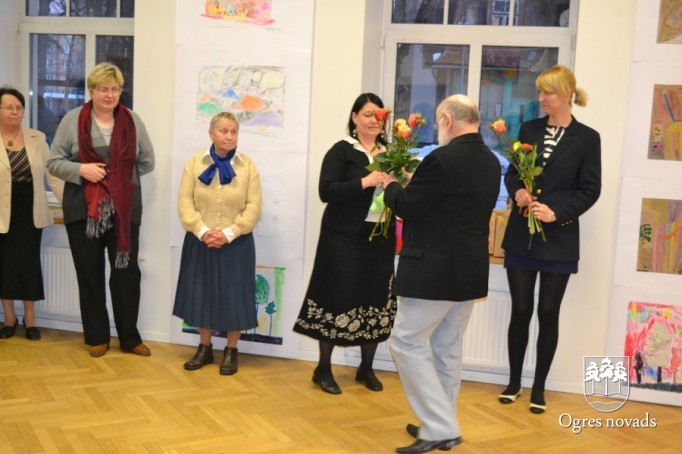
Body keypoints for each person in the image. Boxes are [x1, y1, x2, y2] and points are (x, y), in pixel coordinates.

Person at [383, 94, 500, 453]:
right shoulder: (491, 161)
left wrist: (392, 185)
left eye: (438, 122)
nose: (437, 128)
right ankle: (442, 422)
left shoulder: (441, 159)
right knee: (447, 350)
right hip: (468, 271)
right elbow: (449, 203)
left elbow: (408, 207)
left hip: (433, 271)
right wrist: (416, 181)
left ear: (447, 120)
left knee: (405, 342)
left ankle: (439, 426)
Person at [498, 65, 601, 414]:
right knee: (520, 310)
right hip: (522, 237)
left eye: (549, 92)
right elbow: (513, 172)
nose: (541, 98)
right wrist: (518, 191)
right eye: (540, 92)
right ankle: (514, 383)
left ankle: (539, 388)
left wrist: (557, 213)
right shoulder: (529, 129)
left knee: (547, 312)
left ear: (567, 93)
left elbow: (591, 189)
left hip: (559, 239)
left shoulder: (588, 138)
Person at [47, 63, 155, 358]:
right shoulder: (72, 120)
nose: (110, 95)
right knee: (89, 274)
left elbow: (147, 162)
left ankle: (130, 339)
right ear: (92, 91)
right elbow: (54, 162)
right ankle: (97, 337)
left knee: (126, 275)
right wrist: (82, 170)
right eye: (103, 89)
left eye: (115, 89)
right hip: (83, 211)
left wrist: (118, 179)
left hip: (124, 212)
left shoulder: (132, 120)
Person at [293, 93, 397, 395]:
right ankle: (323, 368)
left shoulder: (391, 153)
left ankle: (366, 368)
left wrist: (401, 179)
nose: (374, 121)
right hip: (342, 239)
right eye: (368, 114)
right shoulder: (341, 150)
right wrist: (365, 182)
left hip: (379, 238)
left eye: (379, 115)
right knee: (335, 297)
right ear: (354, 118)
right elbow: (326, 191)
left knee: (375, 299)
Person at [173, 111, 262, 376]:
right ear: (211, 133)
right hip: (200, 241)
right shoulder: (194, 163)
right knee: (201, 294)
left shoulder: (248, 166)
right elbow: (185, 203)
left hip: (237, 243)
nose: (229, 136)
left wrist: (229, 234)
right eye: (223, 131)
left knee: (235, 296)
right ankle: (205, 348)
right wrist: (202, 231)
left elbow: (253, 207)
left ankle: (231, 351)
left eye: (234, 131)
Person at [0, 87, 63, 341]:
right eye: (9, 107)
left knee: (29, 265)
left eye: (19, 107)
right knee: (4, 266)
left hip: (30, 213)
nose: (15, 112)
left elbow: (53, 175)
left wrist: (68, 204)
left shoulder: (37, 138)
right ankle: (9, 318)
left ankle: (30, 319)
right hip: (2, 215)